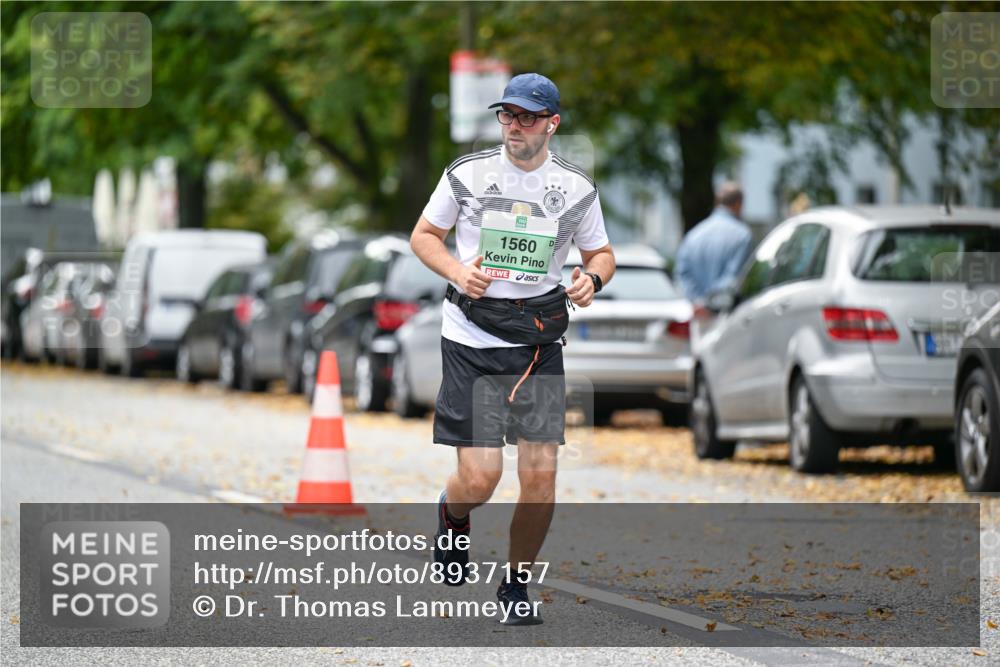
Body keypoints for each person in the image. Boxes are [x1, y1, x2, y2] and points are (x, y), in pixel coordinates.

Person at [410, 72, 615, 625]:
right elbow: (424, 237)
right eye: (507, 115)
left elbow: (601, 254)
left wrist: (590, 281)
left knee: (541, 475)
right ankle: (453, 517)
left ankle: (517, 585)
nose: (515, 126)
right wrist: (458, 271)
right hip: (473, 339)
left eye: (527, 117)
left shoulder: (575, 190)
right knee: (480, 480)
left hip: (539, 344)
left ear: (552, 123)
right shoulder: (468, 175)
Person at [674, 182, 753, 303]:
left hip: (695, 312)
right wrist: (710, 303)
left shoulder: (694, 234)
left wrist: (697, 302)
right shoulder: (742, 235)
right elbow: (734, 277)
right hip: (725, 312)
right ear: (738, 204)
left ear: (717, 202)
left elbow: (683, 274)